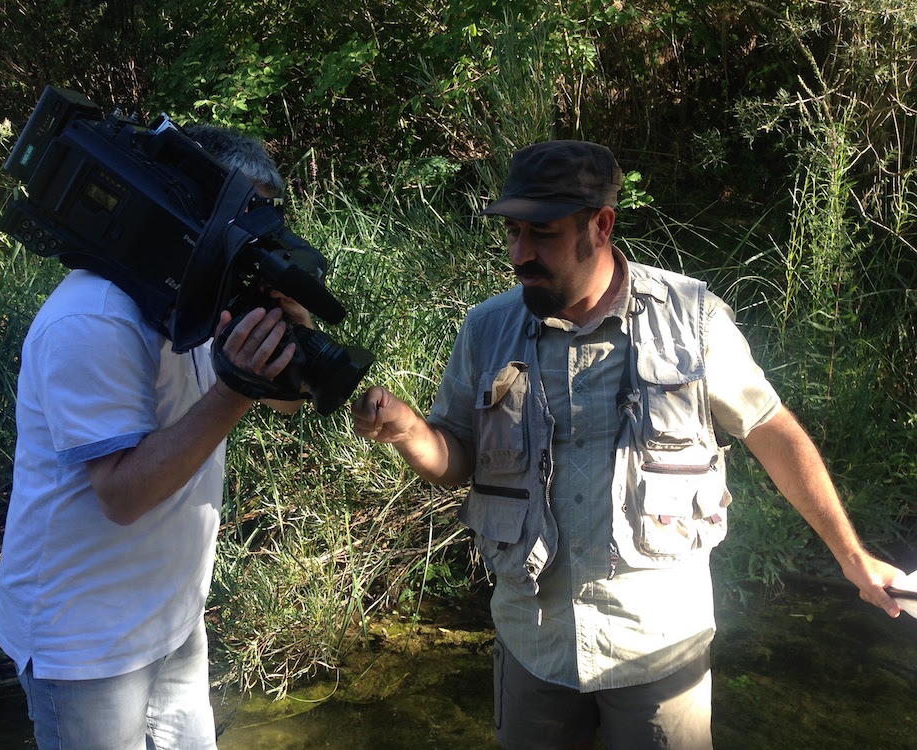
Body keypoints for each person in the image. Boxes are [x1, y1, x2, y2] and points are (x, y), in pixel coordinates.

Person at [351, 140, 905, 750]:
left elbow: (772, 432)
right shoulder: (486, 329)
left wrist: (851, 555)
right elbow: (454, 459)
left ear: (601, 225)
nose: (519, 254)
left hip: (659, 649)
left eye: (542, 233)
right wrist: (409, 432)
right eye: (512, 232)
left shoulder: (693, 319)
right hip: (533, 646)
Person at [0, 125, 307, 750]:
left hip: (173, 621)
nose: (255, 244)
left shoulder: (192, 295)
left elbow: (287, 404)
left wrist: (287, 349)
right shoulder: (94, 316)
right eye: (245, 219)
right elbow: (123, 494)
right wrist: (235, 387)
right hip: (87, 648)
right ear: (198, 206)